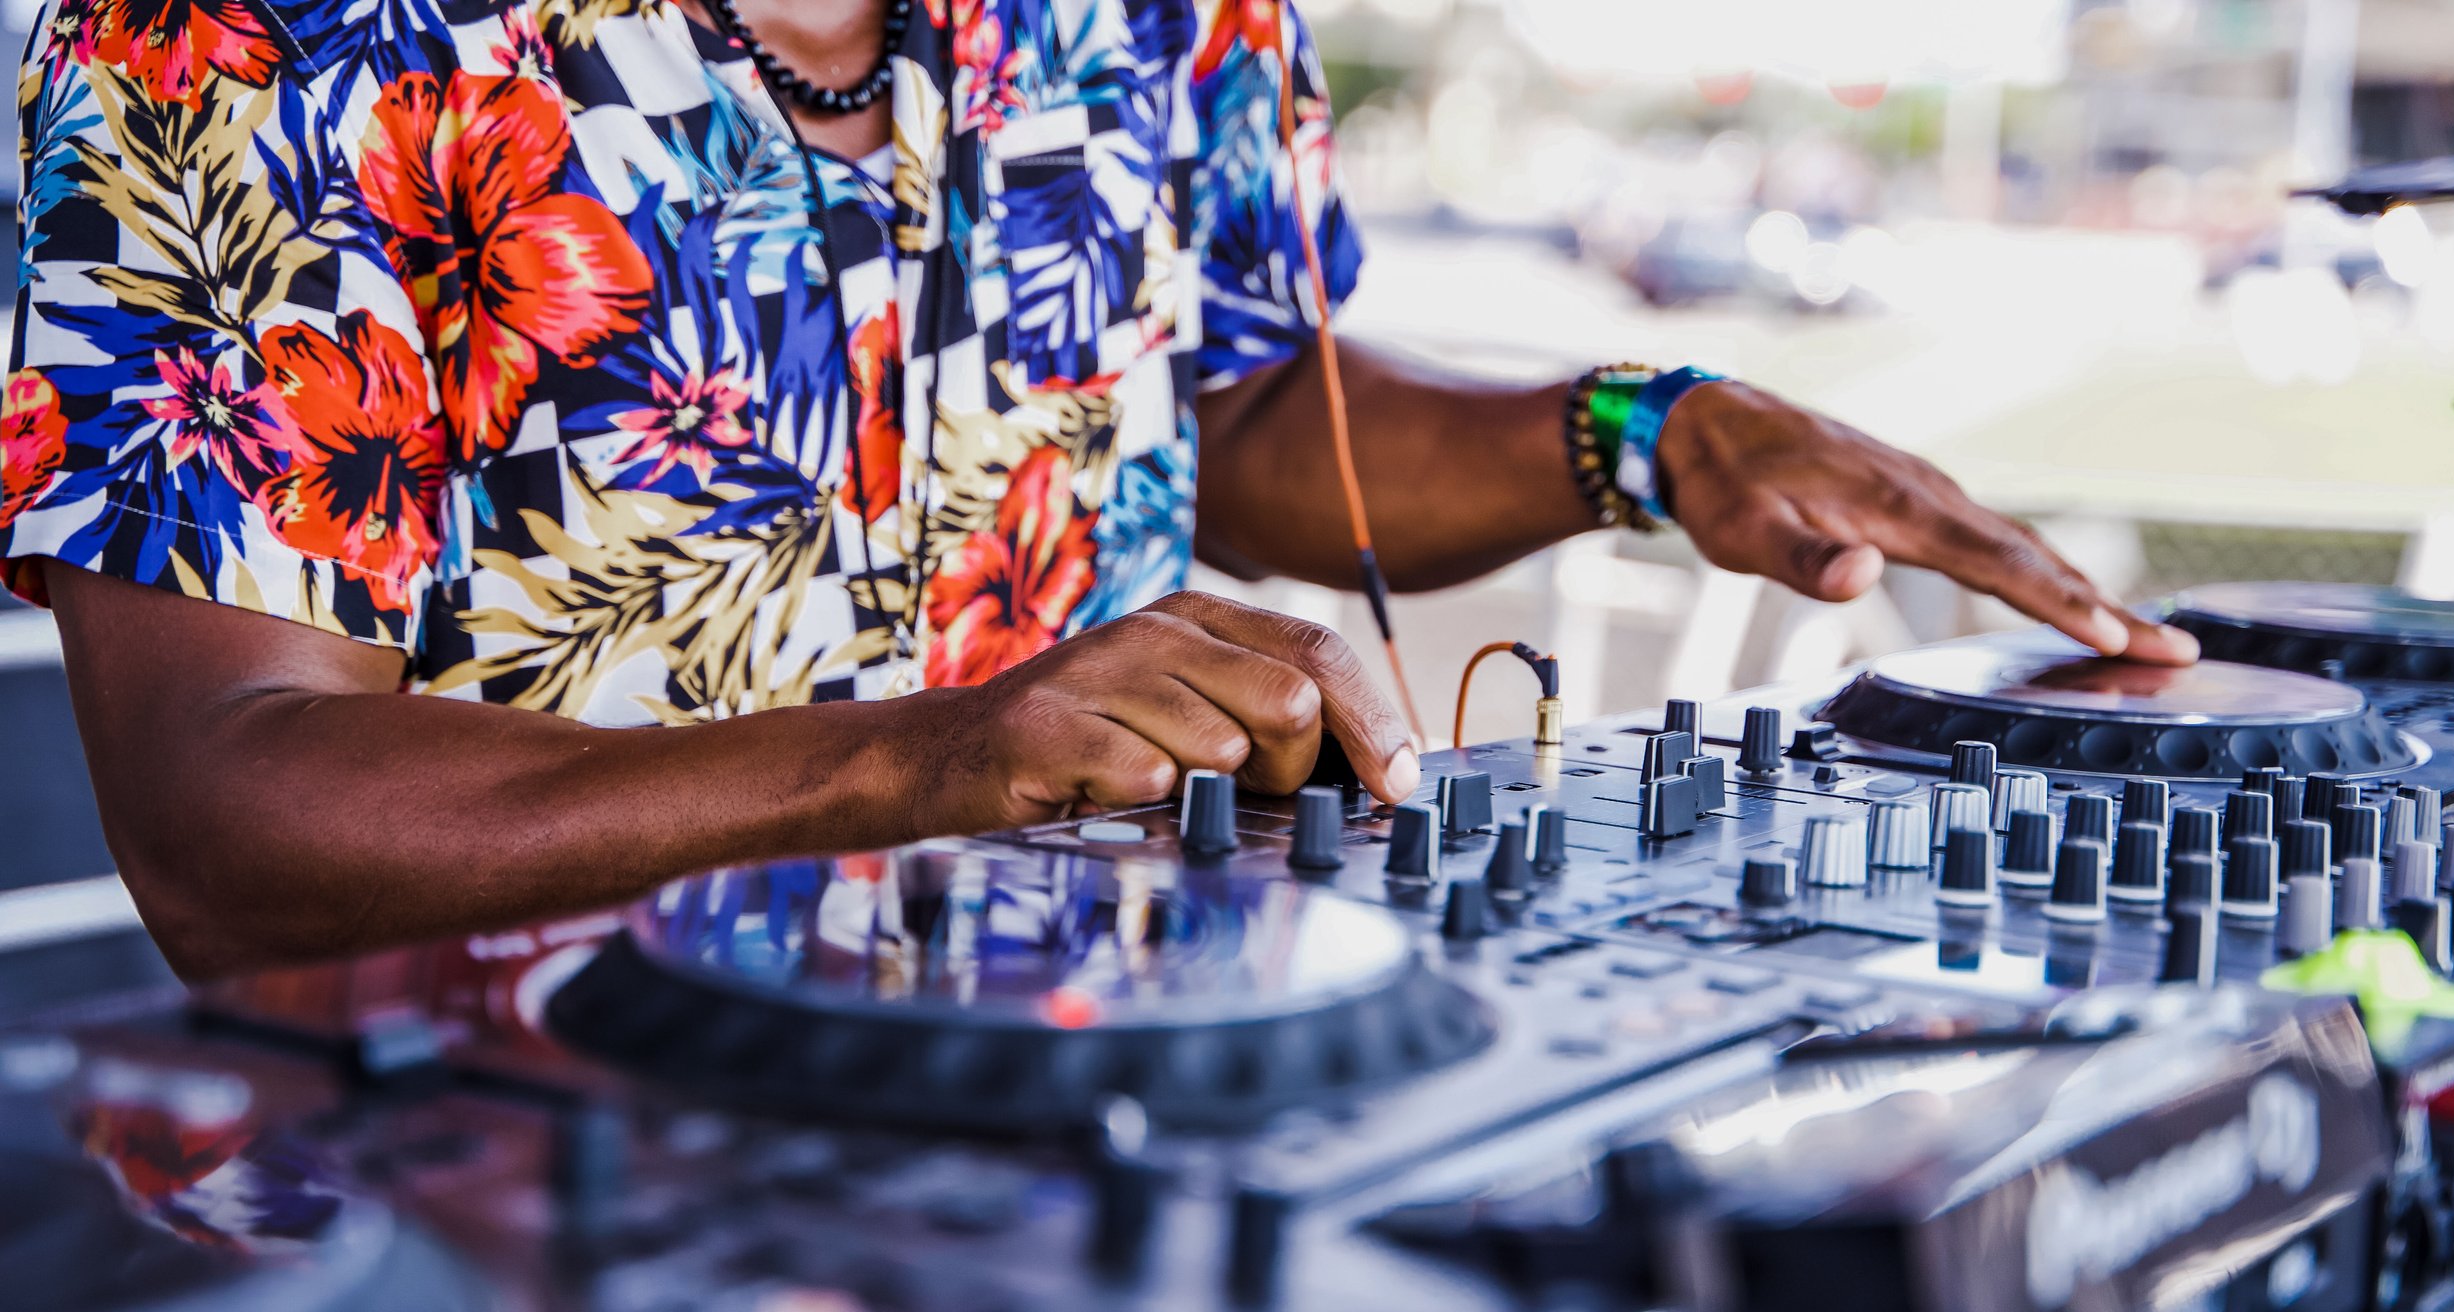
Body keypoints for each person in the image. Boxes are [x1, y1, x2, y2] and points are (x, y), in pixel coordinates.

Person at [0, 0, 2195, 980]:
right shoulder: (242, 38)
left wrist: (1637, 434)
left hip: (1108, 1148)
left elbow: (1234, 420)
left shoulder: (1161, 18)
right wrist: (920, 759)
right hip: (507, 1265)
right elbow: (228, 814)